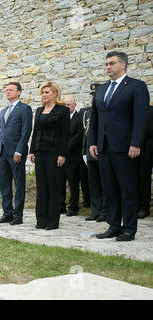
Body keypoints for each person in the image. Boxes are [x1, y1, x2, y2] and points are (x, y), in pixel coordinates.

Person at [89, 51, 150, 242]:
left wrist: (136, 143)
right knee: (110, 189)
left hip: (125, 147)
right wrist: (92, 142)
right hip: (104, 147)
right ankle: (114, 225)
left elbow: (141, 118)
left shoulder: (136, 86)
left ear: (123, 65)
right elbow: (95, 119)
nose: (108, 67)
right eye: (106, 64)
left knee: (127, 189)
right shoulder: (101, 90)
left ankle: (129, 229)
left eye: (111, 63)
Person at [28, 81, 70, 230]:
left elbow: (66, 135)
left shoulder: (62, 110)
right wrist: (32, 151)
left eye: (47, 92)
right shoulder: (39, 110)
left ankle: (52, 221)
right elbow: (36, 132)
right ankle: (41, 220)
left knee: (54, 187)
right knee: (42, 187)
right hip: (40, 152)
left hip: (54, 153)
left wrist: (62, 154)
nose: (44, 95)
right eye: (43, 92)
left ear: (55, 94)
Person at [0, 82, 32, 225]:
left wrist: (19, 150)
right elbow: (0, 132)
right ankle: (7, 213)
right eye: (6, 90)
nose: (7, 92)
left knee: (19, 184)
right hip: (2, 152)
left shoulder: (25, 109)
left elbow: (26, 131)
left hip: (16, 153)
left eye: (11, 90)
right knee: (5, 184)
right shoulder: (3, 111)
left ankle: (18, 216)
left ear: (19, 92)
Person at [81, 84, 107, 222]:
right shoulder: (87, 113)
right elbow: (85, 134)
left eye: (95, 95)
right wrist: (84, 152)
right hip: (90, 153)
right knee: (94, 184)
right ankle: (95, 211)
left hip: (103, 150)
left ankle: (105, 211)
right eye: (92, 95)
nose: (93, 98)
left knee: (105, 183)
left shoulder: (105, 111)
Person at [63, 95, 84, 217]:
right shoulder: (61, 118)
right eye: (65, 105)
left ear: (74, 105)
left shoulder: (78, 118)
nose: (67, 107)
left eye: (69, 105)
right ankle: (61, 206)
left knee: (73, 183)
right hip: (61, 156)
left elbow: (78, 135)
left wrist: (65, 149)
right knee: (60, 183)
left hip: (73, 157)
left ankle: (73, 207)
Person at [137, 104, 153, 219]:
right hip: (129, 151)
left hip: (146, 150)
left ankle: (144, 207)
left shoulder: (150, 110)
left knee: (144, 178)